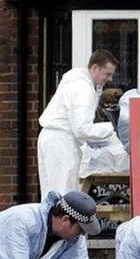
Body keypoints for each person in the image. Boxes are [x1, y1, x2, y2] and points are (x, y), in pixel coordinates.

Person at [37, 49, 118, 197]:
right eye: (108, 74)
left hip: (53, 139)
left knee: (51, 195)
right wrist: (112, 129)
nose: (110, 79)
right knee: (63, 194)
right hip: (61, 142)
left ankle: (49, 220)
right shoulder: (83, 88)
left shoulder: (76, 82)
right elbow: (81, 129)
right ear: (95, 68)